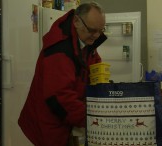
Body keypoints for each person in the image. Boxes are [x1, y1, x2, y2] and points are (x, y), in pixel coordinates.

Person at [18, 1, 107, 146]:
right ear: (77, 21)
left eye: (101, 30)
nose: (97, 35)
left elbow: (94, 69)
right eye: (92, 30)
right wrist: (91, 119)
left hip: (68, 119)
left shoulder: (86, 40)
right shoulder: (60, 48)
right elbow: (59, 96)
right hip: (50, 122)